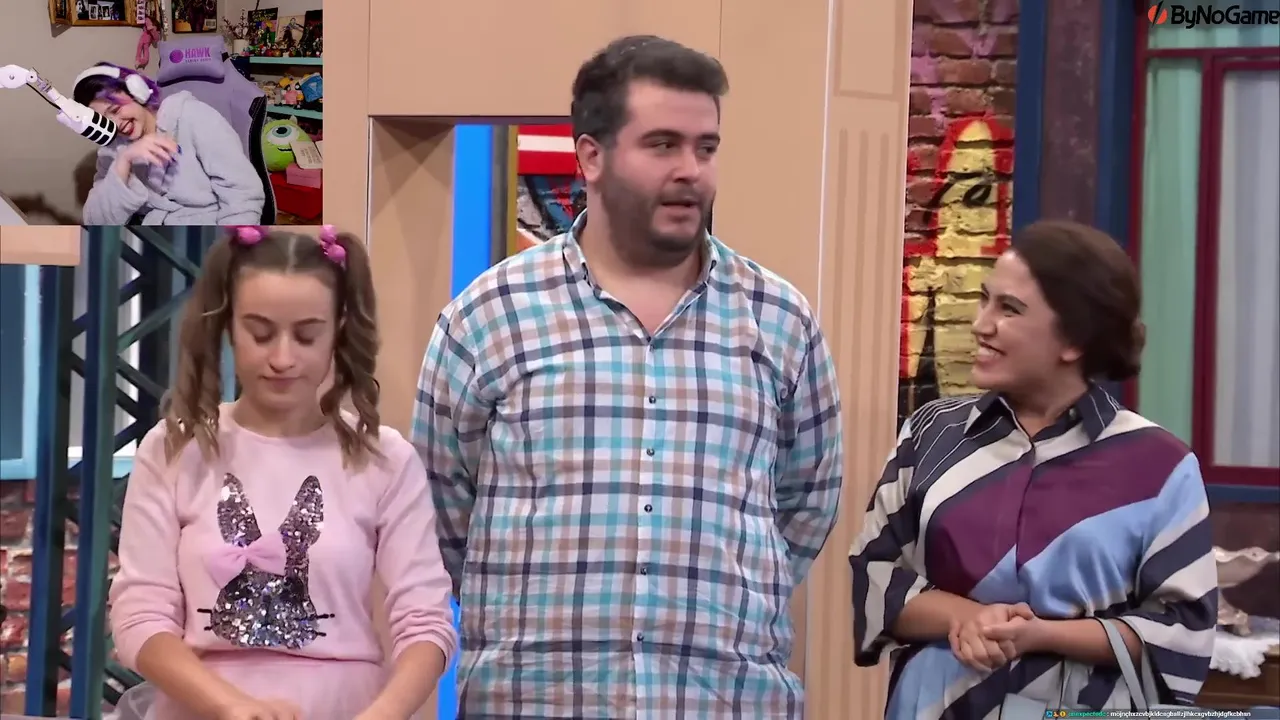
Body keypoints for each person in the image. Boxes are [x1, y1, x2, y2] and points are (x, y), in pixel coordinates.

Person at [414, 35, 844, 718]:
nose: (691, 171)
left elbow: (804, 505)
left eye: (706, 148)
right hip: (536, 702)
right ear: (591, 156)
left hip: (724, 703)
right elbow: (442, 509)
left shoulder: (779, 320)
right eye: (663, 145)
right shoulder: (489, 316)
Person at [849, 220, 1217, 719]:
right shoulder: (931, 432)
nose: (981, 325)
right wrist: (969, 619)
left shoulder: (1160, 464)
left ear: (1075, 339)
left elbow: (1183, 630)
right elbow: (873, 572)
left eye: (1010, 309)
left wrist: (1040, 635)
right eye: (984, 300)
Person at [109, 227, 456, 720]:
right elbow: (140, 614)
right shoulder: (175, 448)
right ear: (228, 326)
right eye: (261, 333)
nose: (282, 358)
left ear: (338, 331)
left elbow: (425, 622)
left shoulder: (385, 459)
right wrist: (232, 706)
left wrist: (383, 714)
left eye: (307, 336)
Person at [73, 62, 265, 225]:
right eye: (104, 121)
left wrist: (230, 246)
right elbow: (95, 222)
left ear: (136, 92)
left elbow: (243, 195)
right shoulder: (113, 149)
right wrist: (123, 162)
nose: (115, 124)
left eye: (115, 110)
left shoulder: (194, 117)